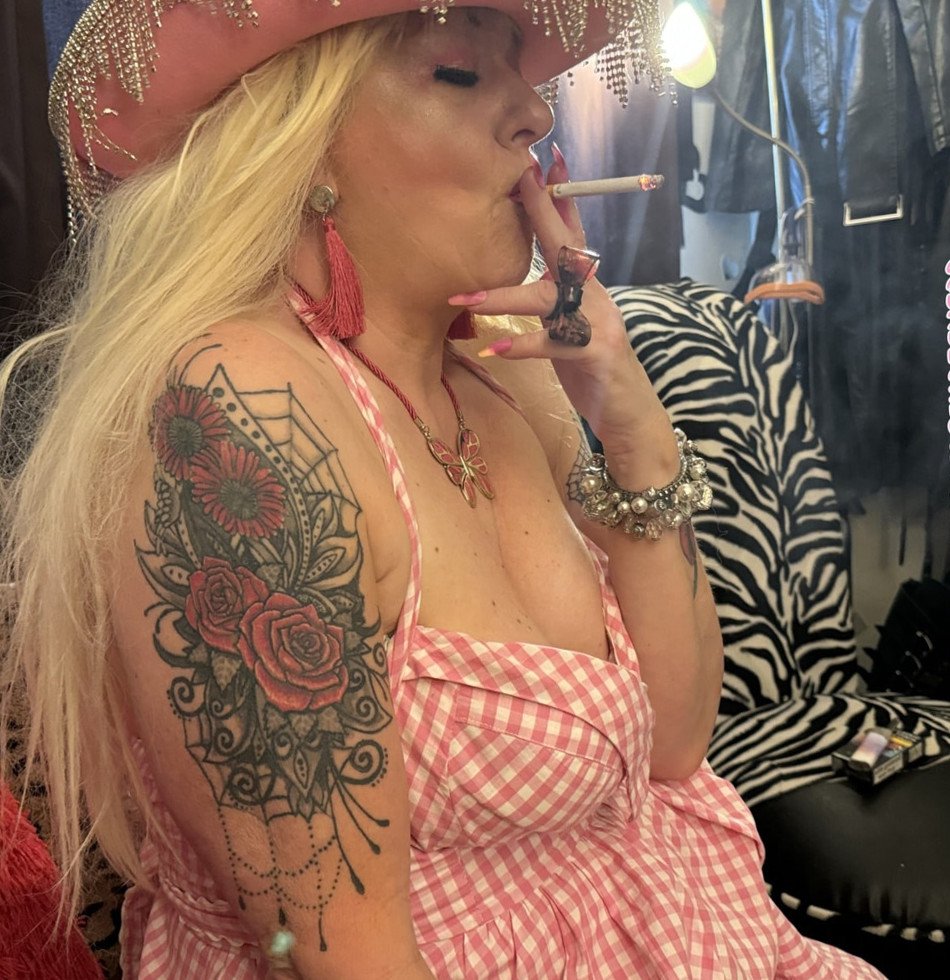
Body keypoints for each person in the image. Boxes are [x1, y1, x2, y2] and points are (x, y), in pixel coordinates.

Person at [0, 1, 883, 977]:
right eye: (460, 71)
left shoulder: (506, 378)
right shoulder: (239, 417)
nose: (537, 114)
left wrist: (632, 421)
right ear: (304, 148)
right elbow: (343, 959)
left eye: (522, 74)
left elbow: (672, 745)